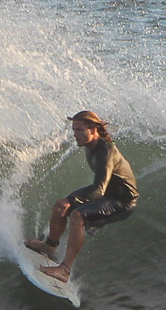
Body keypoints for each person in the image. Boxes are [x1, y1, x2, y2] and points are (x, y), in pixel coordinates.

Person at [24, 110, 138, 283]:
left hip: (122, 201)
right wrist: (69, 201)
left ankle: (64, 270)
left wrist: (71, 200)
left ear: (93, 130)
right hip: (108, 195)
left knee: (77, 215)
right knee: (60, 206)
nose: (75, 135)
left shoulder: (105, 151)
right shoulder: (90, 146)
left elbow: (98, 190)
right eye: (74, 130)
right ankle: (49, 247)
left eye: (79, 130)